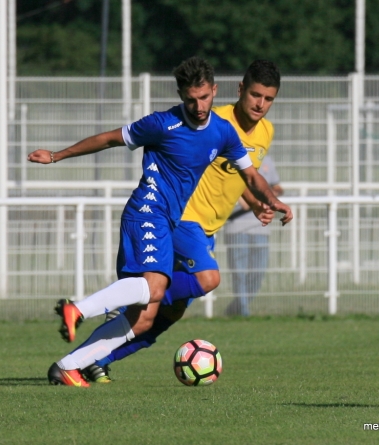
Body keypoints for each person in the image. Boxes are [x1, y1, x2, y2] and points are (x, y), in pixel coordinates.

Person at [28, 56, 293, 387]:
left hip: (176, 224)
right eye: (191, 99)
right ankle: (81, 309)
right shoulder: (163, 123)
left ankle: (69, 366)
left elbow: (250, 175)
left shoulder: (223, 131)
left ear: (214, 90)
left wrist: (269, 200)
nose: (198, 106)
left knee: (149, 317)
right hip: (151, 212)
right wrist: (56, 155)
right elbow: (110, 138)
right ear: (182, 94)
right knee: (197, 281)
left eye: (204, 98)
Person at [224, 155, 282, 316]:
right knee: (239, 273)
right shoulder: (228, 158)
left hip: (261, 228)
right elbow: (236, 197)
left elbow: (277, 187)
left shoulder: (266, 160)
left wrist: (271, 193)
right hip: (237, 229)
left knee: (258, 273)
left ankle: (236, 307)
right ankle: (243, 312)